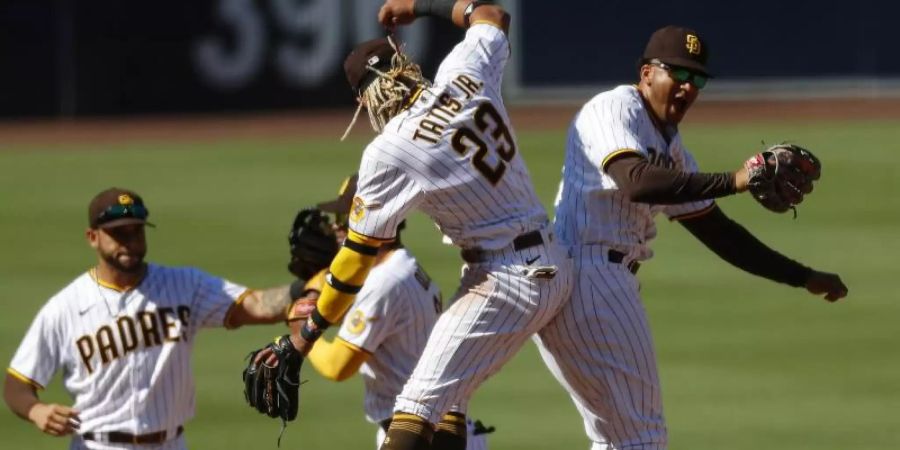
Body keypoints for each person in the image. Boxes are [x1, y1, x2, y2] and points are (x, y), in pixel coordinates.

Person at [252, 1, 572, 449]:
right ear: (406, 65)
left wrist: (304, 338)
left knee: (415, 406)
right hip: (549, 257)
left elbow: (357, 259)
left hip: (508, 277)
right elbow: (493, 16)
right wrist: (421, 6)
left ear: (364, 100)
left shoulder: (391, 148)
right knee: (449, 404)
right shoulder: (465, 72)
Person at [533, 25, 849, 449]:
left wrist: (803, 276)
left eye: (697, 79)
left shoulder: (671, 146)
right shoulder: (614, 109)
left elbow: (720, 234)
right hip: (591, 281)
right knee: (641, 440)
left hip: (591, 283)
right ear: (646, 73)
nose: (687, 87)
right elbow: (637, 183)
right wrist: (735, 179)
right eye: (677, 74)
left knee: (617, 438)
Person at [3, 187, 300, 450]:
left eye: (136, 231)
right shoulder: (65, 307)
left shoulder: (185, 285)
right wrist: (35, 411)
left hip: (171, 443)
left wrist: (311, 288)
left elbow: (259, 306)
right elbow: (16, 384)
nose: (130, 242)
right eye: (119, 234)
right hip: (98, 445)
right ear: (92, 237)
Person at [290, 174, 491, 450]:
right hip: (428, 429)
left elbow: (337, 366)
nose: (337, 230)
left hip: (424, 435)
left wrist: (300, 329)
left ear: (369, 223)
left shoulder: (385, 282)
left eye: (344, 220)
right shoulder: (401, 267)